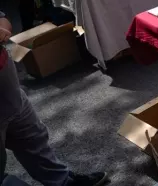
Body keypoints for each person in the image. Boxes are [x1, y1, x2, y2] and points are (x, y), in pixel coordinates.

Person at [0, 13, 108, 186]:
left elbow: (3, 20)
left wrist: (3, 29)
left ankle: (63, 182)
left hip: (12, 95)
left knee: (35, 141)